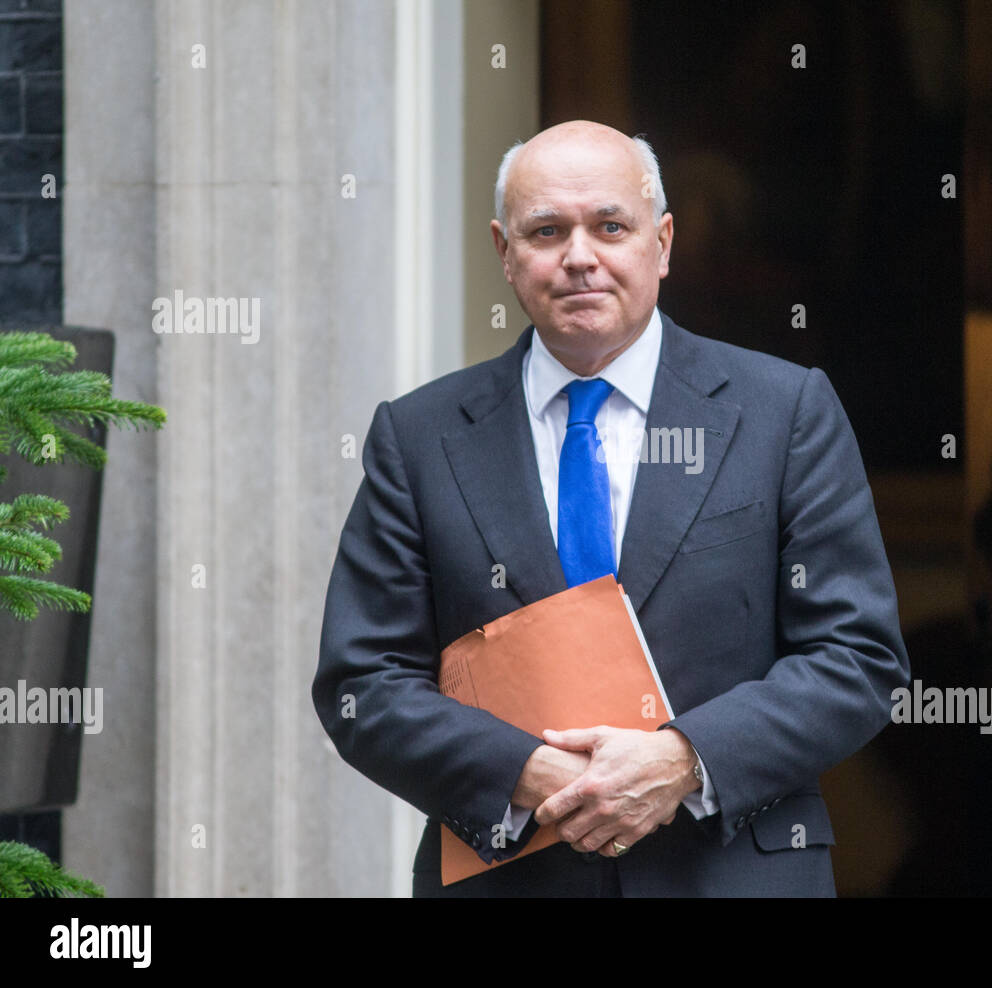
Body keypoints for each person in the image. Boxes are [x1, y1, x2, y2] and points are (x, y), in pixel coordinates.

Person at [313, 120, 909, 897]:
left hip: (727, 874)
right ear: (504, 251)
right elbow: (364, 682)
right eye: (547, 231)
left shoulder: (783, 412)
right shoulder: (419, 437)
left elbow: (858, 658)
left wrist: (681, 759)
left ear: (661, 244)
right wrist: (528, 772)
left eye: (610, 226)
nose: (580, 256)